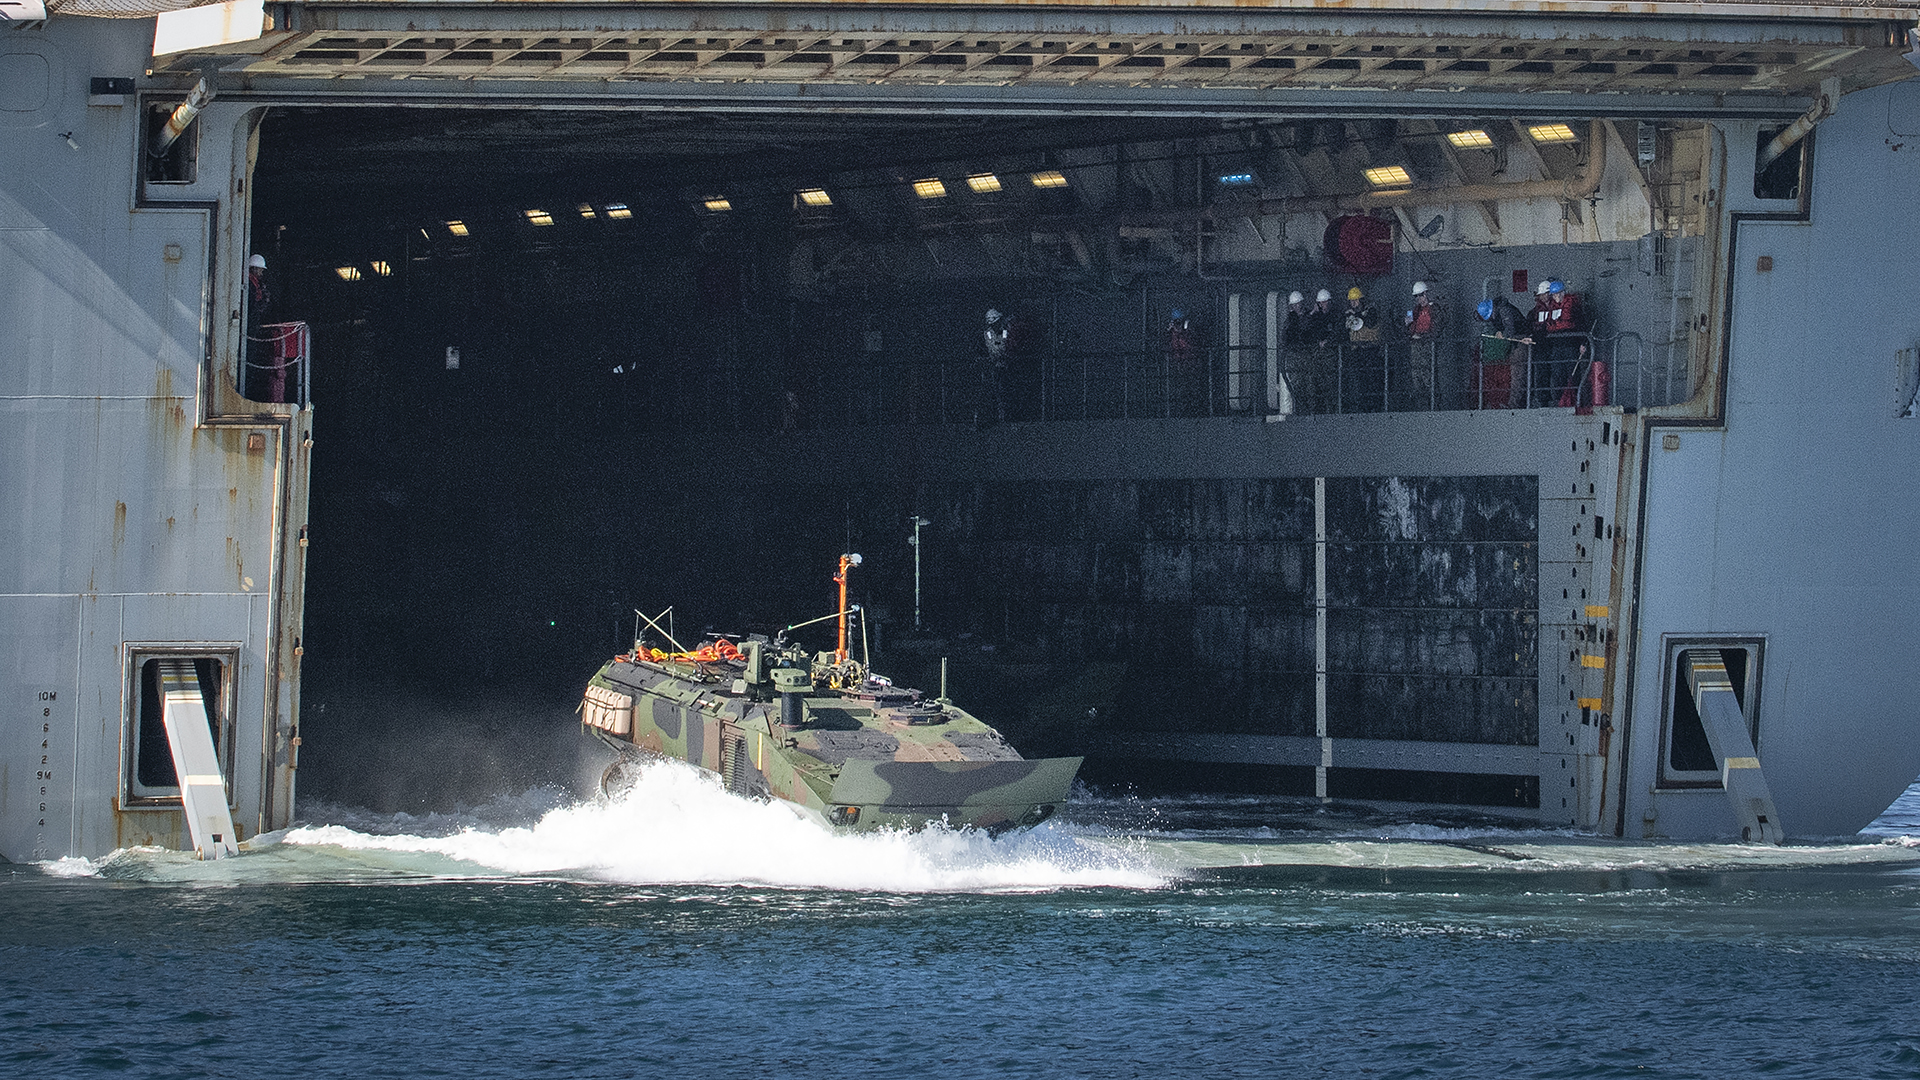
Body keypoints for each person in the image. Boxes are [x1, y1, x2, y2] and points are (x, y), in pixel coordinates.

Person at [1476, 296, 1529, 408]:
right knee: (1515, 374)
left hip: (1520, 341)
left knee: (1517, 374)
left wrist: (1503, 334)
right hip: (1515, 343)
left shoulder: (1504, 310)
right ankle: (1515, 402)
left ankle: (1514, 404)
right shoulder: (1500, 309)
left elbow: (1510, 329)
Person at [1405, 281, 1438, 409]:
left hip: (1427, 345)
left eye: (1420, 295)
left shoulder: (1434, 309)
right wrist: (1407, 325)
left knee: (1428, 376)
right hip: (1416, 345)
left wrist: (1423, 336)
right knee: (1416, 376)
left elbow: (1437, 329)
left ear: (1426, 293)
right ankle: (1421, 407)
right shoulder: (1416, 310)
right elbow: (1410, 329)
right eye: (1416, 296)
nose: (1419, 298)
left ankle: (1434, 406)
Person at [1166, 307, 1201, 415]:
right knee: (1179, 386)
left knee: (1192, 386)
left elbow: (1189, 343)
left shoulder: (1188, 329)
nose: (1177, 324)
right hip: (1178, 363)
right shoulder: (1172, 332)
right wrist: (1170, 331)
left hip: (1191, 362)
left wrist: (1180, 332)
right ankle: (1180, 407)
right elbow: (1168, 345)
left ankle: (1193, 408)